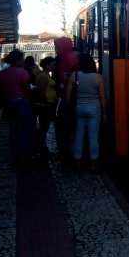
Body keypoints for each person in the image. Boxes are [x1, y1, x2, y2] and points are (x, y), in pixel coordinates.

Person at [65, 53, 107, 173]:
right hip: (94, 108)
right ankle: (93, 166)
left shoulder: (75, 75)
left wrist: (70, 107)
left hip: (79, 108)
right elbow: (102, 97)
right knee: (93, 137)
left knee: (79, 136)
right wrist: (104, 112)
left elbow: (67, 94)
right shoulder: (98, 77)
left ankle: (78, 165)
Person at [0, 49, 33, 166]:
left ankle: (13, 156)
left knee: (13, 131)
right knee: (25, 130)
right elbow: (27, 90)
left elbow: (1, 90)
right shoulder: (22, 73)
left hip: (9, 104)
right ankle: (23, 157)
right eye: (22, 58)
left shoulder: (2, 73)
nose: (23, 60)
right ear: (17, 60)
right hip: (21, 103)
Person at [53, 36, 79, 166]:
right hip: (65, 97)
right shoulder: (62, 58)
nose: (55, 49)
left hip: (69, 98)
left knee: (65, 127)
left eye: (57, 47)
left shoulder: (70, 58)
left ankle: (69, 155)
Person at [34, 56, 57, 158]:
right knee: (44, 127)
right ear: (47, 66)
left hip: (49, 103)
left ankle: (41, 148)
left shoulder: (46, 74)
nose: (54, 66)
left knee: (45, 127)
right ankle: (42, 148)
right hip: (46, 104)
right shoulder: (43, 76)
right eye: (52, 65)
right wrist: (47, 105)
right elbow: (42, 92)